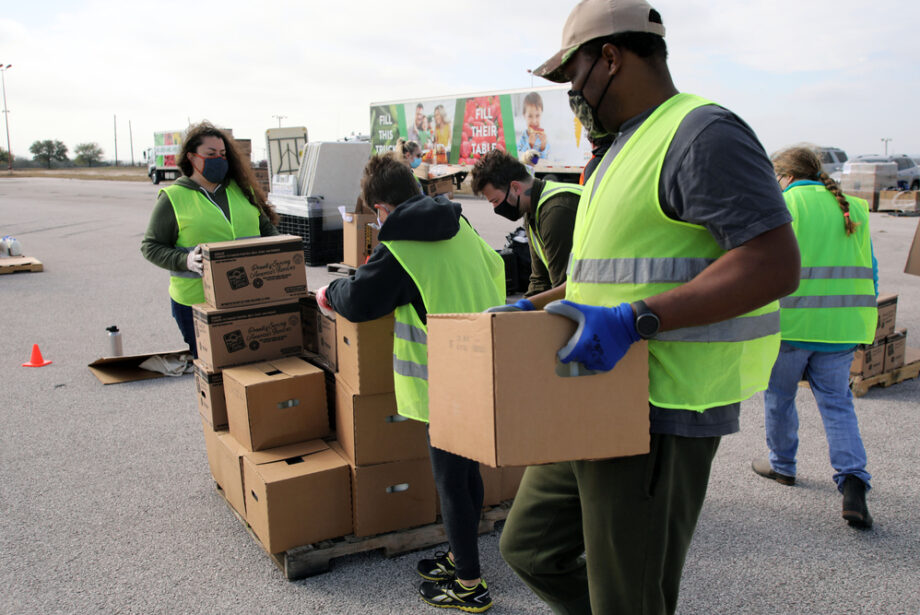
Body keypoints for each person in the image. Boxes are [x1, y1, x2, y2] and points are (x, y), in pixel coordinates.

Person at [495, 1, 801, 614]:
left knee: (628, 598)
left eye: (573, 75)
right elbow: (603, 279)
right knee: (530, 548)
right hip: (598, 394)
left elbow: (772, 263)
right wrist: (536, 306)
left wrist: (634, 320)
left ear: (610, 57)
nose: (572, 95)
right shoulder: (619, 151)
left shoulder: (701, 134)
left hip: (660, 409)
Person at [315, 155, 505, 612]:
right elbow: (496, 269)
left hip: (443, 380)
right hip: (483, 363)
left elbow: (359, 300)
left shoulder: (400, 247)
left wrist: (327, 293)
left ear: (381, 208)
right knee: (467, 474)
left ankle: (469, 586)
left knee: (451, 483)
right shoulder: (459, 224)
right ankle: (461, 556)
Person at [752, 145, 877, 529]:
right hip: (842, 329)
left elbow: (763, 265)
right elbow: (870, 268)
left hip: (792, 326)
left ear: (786, 176)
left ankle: (782, 465)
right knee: (838, 405)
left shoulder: (784, 204)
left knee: (780, 397)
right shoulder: (853, 208)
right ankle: (853, 481)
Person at [141, 121, 279, 358]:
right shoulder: (173, 197)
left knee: (249, 365)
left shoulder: (241, 191)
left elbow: (268, 231)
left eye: (223, 154)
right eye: (211, 154)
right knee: (212, 367)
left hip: (249, 298)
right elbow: (150, 247)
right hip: (197, 303)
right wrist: (184, 260)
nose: (219, 159)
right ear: (191, 157)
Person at [471, 149, 582, 296]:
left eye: (496, 201)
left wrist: (523, 306)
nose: (495, 208)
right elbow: (540, 280)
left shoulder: (555, 212)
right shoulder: (532, 211)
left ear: (515, 187)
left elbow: (563, 291)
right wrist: (522, 306)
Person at [516, 92, 550, 160]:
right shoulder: (521, 139)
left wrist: (543, 147)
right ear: (524, 115)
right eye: (530, 116)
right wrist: (529, 145)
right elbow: (519, 158)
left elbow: (545, 161)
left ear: (541, 114)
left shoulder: (544, 139)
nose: (534, 121)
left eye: (537, 116)